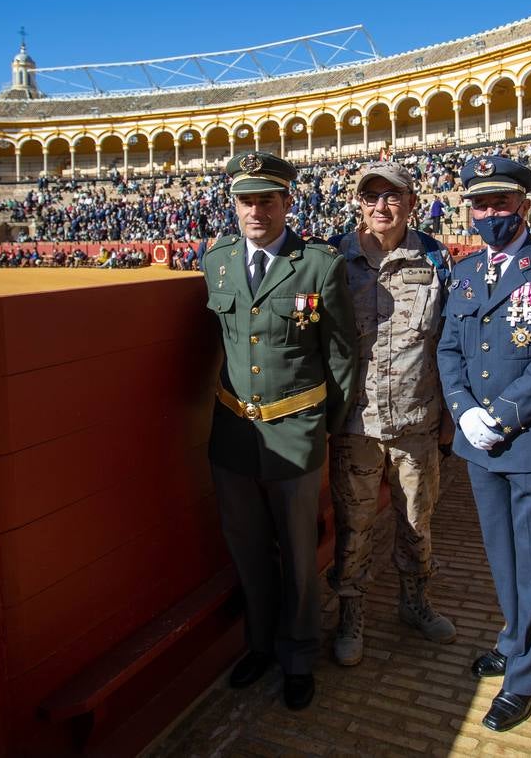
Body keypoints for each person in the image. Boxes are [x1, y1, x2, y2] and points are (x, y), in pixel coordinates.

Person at [201, 151, 358, 712]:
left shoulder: (318, 264)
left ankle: (297, 657)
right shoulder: (215, 260)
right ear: (234, 205)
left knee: (296, 554)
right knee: (247, 550)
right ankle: (261, 646)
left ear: (287, 202)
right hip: (234, 434)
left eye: (267, 198)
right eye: (246, 199)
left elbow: (341, 355)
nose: (256, 210)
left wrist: (325, 429)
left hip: (295, 433)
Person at [436, 155, 531, 732]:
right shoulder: (466, 274)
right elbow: (450, 349)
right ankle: (516, 638)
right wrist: (465, 410)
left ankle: (526, 677)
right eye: (480, 204)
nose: (489, 213)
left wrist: (502, 413)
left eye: (500, 202)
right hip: (480, 443)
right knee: (502, 556)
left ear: (524, 202)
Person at [327, 162, 456, 668]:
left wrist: (447, 415)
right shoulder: (336, 258)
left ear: (411, 203)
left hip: (416, 421)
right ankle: (350, 614)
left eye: (393, 196)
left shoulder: (435, 258)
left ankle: (415, 601)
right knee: (353, 525)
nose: (382, 206)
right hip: (356, 424)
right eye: (371, 197)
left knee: (417, 522)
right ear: (359, 204)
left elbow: (450, 340)